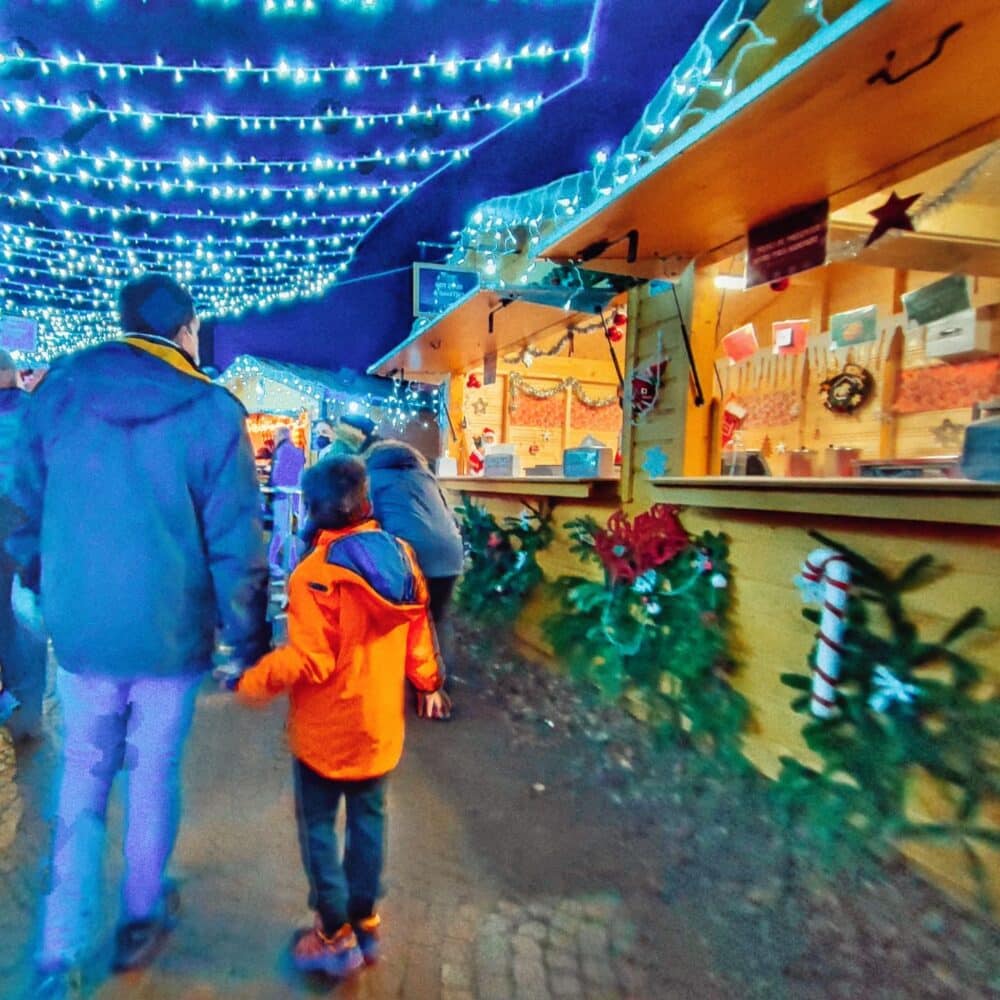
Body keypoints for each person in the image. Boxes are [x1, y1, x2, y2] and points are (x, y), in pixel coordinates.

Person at [8, 273, 271, 999]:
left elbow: (21, 502)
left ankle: (59, 953)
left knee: (82, 781)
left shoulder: (58, 392)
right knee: (152, 778)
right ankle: (140, 917)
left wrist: (40, 577)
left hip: (82, 631)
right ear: (187, 330)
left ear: (124, 323)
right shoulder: (213, 412)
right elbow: (236, 541)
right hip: (169, 637)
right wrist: (247, 640)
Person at [230, 454, 449, 979]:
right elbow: (418, 628)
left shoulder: (316, 575)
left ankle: (333, 935)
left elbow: (312, 658)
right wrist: (429, 682)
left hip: (326, 734)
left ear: (313, 510)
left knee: (320, 831)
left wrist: (254, 680)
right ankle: (365, 922)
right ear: (366, 500)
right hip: (379, 729)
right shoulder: (400, 557)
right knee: (370, 823)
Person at [364, 439, 465, 637]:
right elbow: (448, 515)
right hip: (450, 554)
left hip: (407, 556)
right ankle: (442, 665)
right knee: (438, 619)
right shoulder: (427, 478)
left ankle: (399, 665)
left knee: (399, 622)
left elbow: (364, 518)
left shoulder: (371, 479)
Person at [0, 350, 47, 744]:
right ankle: (26, 711)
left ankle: (18, 706)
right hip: (24, 529)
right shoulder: (34, 413)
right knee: (22, 617)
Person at [267, 425, 305, 576]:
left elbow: (278, 477)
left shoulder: (282, 451)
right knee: (288, 530)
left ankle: (275, 561)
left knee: (281, 530)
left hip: (284, 496)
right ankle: (291, 562)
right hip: (294, 495)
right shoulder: (295, 451)